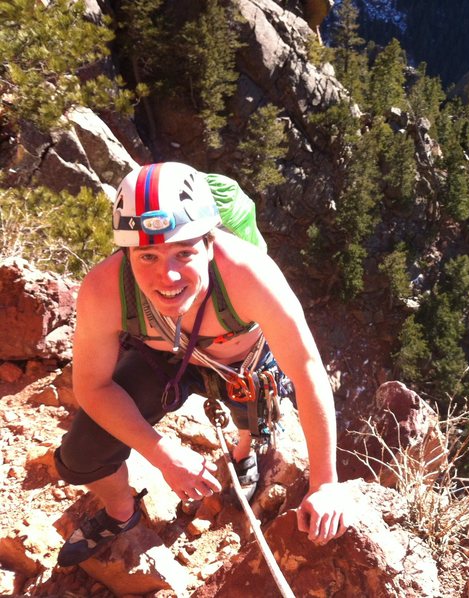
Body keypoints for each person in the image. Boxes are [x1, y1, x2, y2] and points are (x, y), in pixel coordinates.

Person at [55, 162, 348, 566]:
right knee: (80, 455)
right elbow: (91, 386)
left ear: (211, 244)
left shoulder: (249, 276)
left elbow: (307, 371)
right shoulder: (104, 290)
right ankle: (120, 513)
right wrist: (162, 455)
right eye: (148, 256)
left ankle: (242, 454)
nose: (168, 275)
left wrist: (325, 482)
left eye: (184, 252)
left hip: (241, 362)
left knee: (249, 415)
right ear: (127, 254)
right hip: (163, 359)